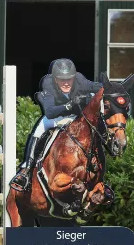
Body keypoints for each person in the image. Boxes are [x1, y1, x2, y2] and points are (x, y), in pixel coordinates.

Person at [10, 59, 103, 211]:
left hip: (74, 118)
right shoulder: (47, 83)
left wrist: (110, 87)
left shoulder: (79, 79)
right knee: (38, 132)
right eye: (62, 80)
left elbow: (94, 86)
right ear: (55, 79)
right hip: (54, 118)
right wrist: (71, 104)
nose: (66, 83)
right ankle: (26, 170)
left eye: (69, 79)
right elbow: (50, 111)